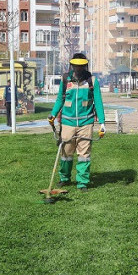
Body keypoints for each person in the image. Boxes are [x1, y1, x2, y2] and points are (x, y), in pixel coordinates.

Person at [49, 53, 106, 192]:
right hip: (68, 122)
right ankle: (64, 178)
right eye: (76, 66)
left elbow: (98, 102)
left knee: (84, 155)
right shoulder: (65, 80)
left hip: (86, 122)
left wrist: (102, 123)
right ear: (72, 65)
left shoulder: (92, 81)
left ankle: (82, 183)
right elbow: (60, 100)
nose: (78, 68)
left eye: (81, 66)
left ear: (85, 66)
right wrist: (53, 114)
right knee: (66, 153)